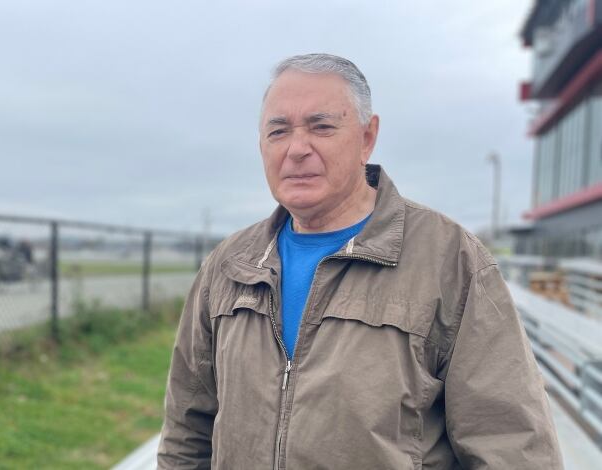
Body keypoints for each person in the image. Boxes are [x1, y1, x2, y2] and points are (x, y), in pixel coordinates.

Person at [157, 53, 562, 469]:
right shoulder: (229, 265)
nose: (297, 149)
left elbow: (513, 446)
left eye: (322, 127)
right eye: (278, 131)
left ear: (367, 137)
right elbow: (187, 431)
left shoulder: (449, 260)